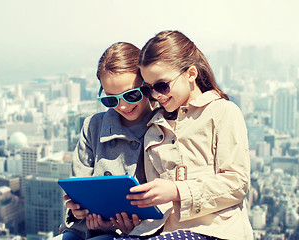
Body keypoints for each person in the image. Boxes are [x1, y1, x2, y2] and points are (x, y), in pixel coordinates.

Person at [115, 30, 253, 240]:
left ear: (191, 74)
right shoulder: (154, 125)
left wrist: (177, 190)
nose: (156, 95)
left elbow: (237, 183)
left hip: (213, 230)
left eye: (162, 85)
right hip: (162, 232)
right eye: (149, 88)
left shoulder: (223, 112)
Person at [55, 42, 156, 240]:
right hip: (83, 229)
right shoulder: (93, 126)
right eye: (112, 99)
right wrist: (77, 210)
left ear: (147, 85)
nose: (124, 106)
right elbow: (78, 184)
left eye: (132, 94)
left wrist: (130, 226)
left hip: (134, 233)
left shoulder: (162, 128)